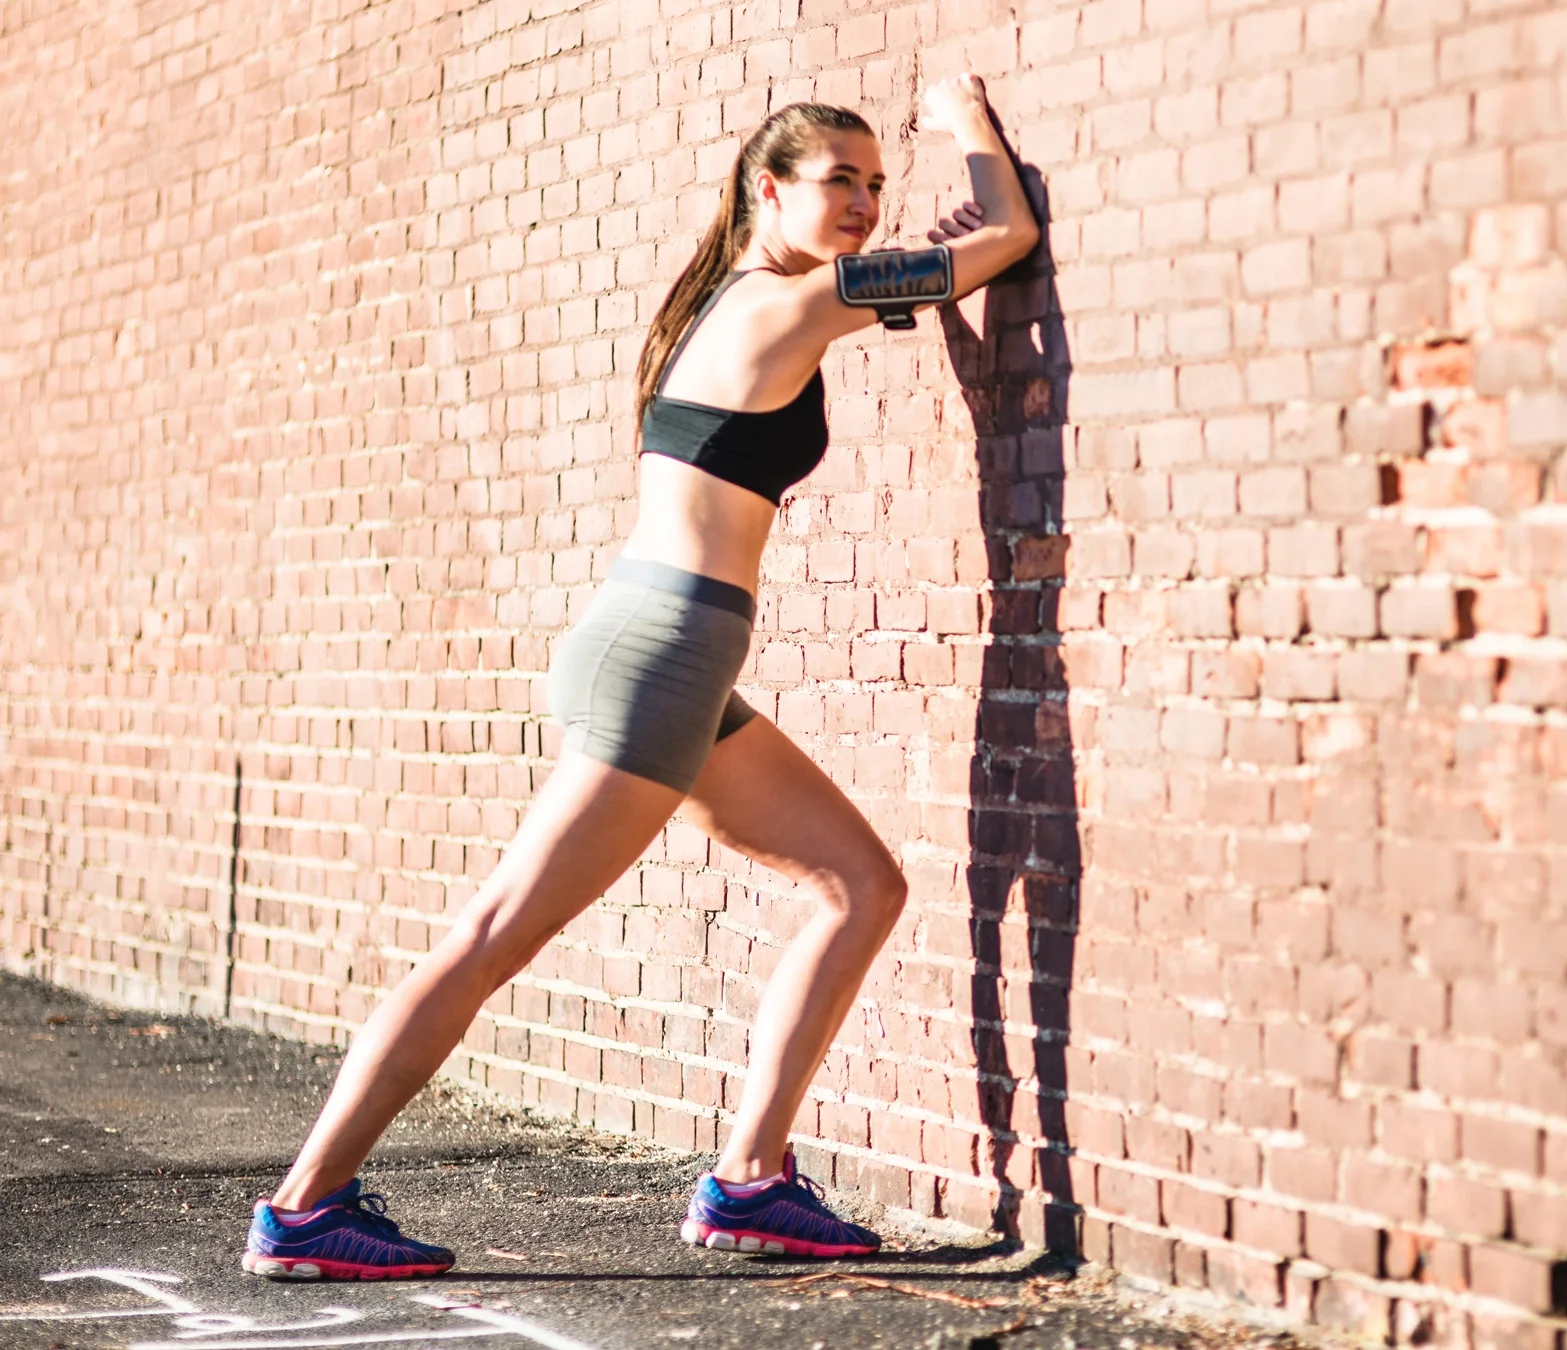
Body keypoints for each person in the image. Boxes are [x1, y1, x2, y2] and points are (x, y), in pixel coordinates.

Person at [240, 74, 1043, 1280]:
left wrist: (919, 245)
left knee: (857, 885)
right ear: (766, 191)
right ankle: (305, 1205)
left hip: (674, 652)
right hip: (662, 655)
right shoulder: (790, 305)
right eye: (841, 182)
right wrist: (965, 126)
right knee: (492, 933)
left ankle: (750, 1184)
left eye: (878, 184)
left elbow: (946, 275)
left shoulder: (757, 299)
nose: (867, 205)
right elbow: (1007, 241)